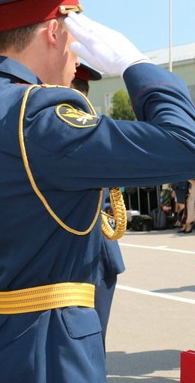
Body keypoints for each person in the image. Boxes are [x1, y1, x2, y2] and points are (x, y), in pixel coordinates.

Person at [0, 0, 195, 383]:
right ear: (56, 31)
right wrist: (136, 65)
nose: (77, 60)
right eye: (77, 39)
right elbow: (193, 149)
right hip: (45, 353)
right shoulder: (41, 116)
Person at [69, 62, 125, 351]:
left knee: (87, 348)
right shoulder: (97, 128)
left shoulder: (88, 131)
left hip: (90, 251)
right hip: (85, 250)